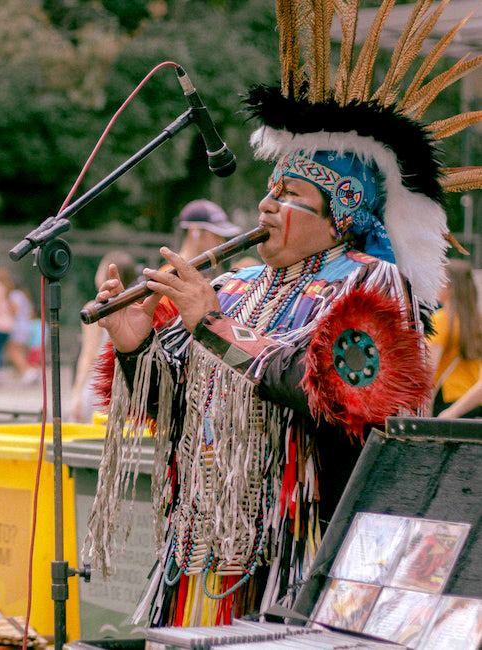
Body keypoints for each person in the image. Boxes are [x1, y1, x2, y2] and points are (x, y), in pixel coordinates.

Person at [84, 0, 479, 628]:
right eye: (269, 190)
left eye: (290, 194)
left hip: (307, 556)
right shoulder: (237, 285)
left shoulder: (374, 287)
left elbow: (333, 395)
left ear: (342, 214)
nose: (266, 205)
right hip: (205, 548)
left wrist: (211, 328)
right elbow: (180, 407)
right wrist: (137, 348)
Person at [70, 251, 137, 423]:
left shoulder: (94, 309)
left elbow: (89, 353)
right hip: (123, 383)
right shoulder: (134, 308)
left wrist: (77, 393)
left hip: (98, 381)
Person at [431, 260, 482, 418]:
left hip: (446, 404)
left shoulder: (441, 320)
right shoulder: (477, 322)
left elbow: (429, 374)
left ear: (450, 287)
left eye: (440, 280)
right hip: (473, 404)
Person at [176, 199, 241, 279]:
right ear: (195, 232)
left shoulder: (213, 272)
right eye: (216, 235)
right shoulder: (173, 276)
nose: (222, 242)